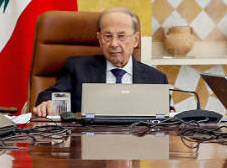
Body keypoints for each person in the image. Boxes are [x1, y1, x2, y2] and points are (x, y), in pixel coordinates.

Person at [33, 8, 168, 116]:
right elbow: (47, 96)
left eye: (121, 36)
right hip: (87, 143)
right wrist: (48, 103)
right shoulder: (78, 68)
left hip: (139, 144)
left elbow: (167, 118)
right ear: (99, 39)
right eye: (108, 36)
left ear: (136, 40)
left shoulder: (156, 79)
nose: (114, 44)